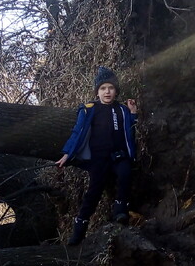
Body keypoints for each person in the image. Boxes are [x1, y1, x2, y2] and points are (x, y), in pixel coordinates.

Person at [56, 67, 138, 245]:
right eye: (103, 88)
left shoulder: (122, 110)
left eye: (110, 88)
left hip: (118, 154)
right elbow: (77, 132)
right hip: (98, 158)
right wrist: (67, 154)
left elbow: (130, 130)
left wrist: (133, 113)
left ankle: (120, 209)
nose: (107, 92)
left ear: (116, 91)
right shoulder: (89, 109)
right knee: (94, 191)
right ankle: (78, 231)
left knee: (125, 173)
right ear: (97, 91)